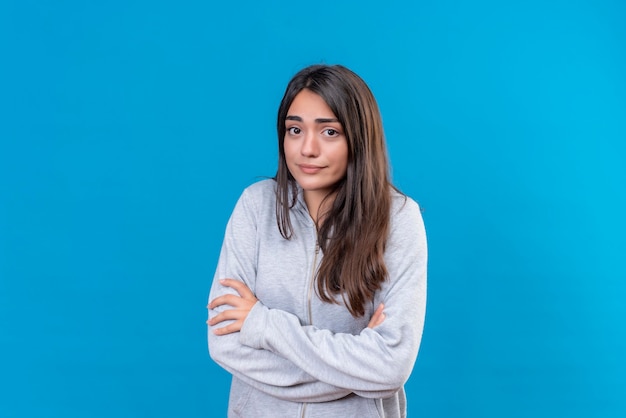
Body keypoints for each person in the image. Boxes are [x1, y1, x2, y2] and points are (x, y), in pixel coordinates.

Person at [207, 64, 427, 417]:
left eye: (329, 132)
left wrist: (262, 324)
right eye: (294, 129)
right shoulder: (256, 205)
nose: (307, 149)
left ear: (359, 137)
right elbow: (225, 343)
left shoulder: (398, 218)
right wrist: (355, 369)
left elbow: (391, 366)